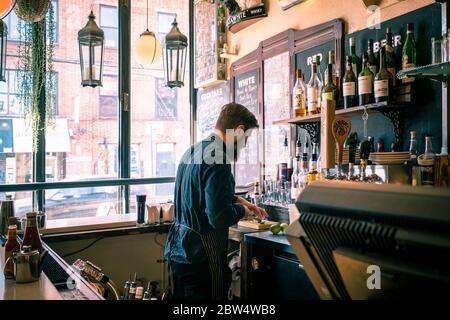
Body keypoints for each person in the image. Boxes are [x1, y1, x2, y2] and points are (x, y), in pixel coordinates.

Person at [164, 103, 268, 300]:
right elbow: (218, 217)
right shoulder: (218, 157)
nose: (245, 145)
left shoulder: (192, 151)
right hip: (201, 257)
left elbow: (200, 194)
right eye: (246, 138)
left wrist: (240, 200)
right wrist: (243, 211)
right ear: (238, 130)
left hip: (178, 251)